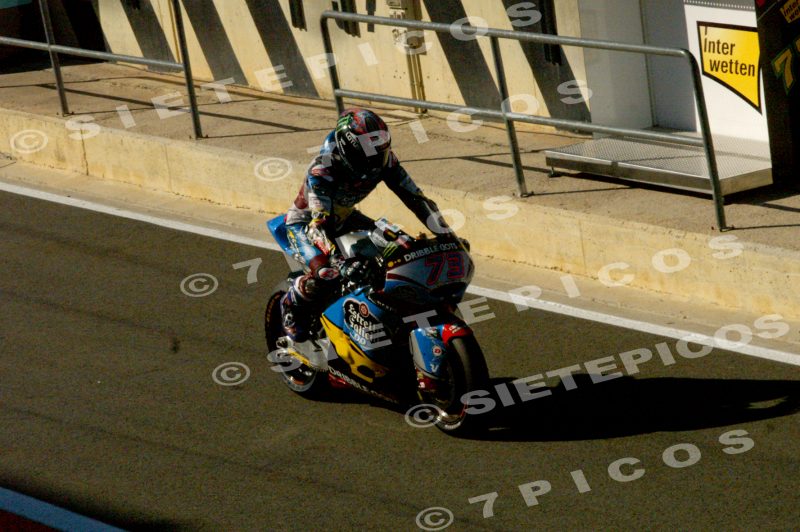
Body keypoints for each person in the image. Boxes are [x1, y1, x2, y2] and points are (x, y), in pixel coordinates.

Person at [280, 108, 450, 342]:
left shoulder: (386, 161)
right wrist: (340, 262)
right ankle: (291, 302)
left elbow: (415, 198)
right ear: (348, 148)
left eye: (379, 150)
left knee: (400, 248)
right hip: (306, 225)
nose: (374, 159)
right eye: (368, 151)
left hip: (346, 217)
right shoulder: (323, 169)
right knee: (328, 273)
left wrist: (445, 233)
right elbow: (318, 225)